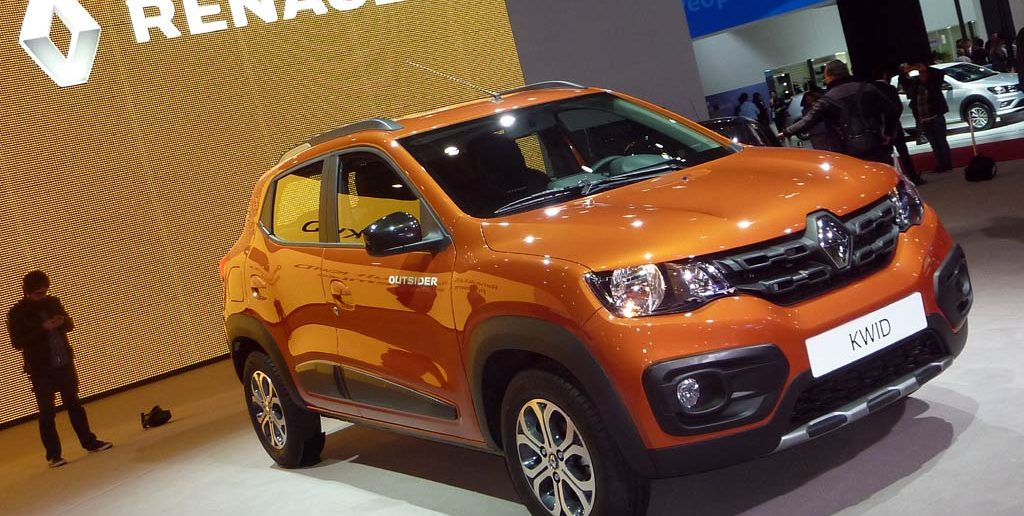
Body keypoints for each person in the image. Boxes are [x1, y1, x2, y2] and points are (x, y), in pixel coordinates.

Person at [7, 271, 112, 468]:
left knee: (74, 404)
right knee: (47, 411)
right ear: (27, 292)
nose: (42, 296)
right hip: (40, 369)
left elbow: (70, 325)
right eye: (38, 293)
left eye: (44, 292)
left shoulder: (53, 302)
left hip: (64, 362)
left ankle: (89, 442)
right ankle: (54, 455)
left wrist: (63, 322)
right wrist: (43, 329)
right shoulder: (17, 313)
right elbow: (17, 342)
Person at [781, 60, 900, 165]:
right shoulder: (868, 88)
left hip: (847, 151)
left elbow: (807, 121)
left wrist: (786, 132)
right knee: (885, 178)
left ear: (830, 77)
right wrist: (888, 133)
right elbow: (892, 110)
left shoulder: (826, 99)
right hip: (876, 144)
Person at [873, 67, 924, 184]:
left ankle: (891, 179)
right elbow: (897, 107)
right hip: (895, 125)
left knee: (886, 155)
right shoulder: (889, 88)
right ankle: (913, 176)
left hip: (880, 127)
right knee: (903, 152)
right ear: (884, 75)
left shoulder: (871, 89)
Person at [904, 63, 953, 173]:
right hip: (924, 119)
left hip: (935, 117)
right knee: (934, 143)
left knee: (941, 141)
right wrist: (907, 71)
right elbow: (905, 82)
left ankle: (946, 163)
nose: (922, 76)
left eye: (924, 73)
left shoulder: (933, 84)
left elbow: (940, 73)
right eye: (920, 74)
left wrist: (925, 67)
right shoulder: (916, 85)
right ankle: (940, 164)